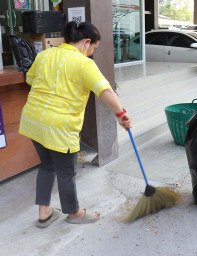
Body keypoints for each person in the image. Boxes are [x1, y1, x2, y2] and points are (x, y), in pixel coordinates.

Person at [19, 21, 132, 227]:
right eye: (93, 49)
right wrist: (121, 114)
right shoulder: (83, 63)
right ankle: (74, 213)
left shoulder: (44, 55)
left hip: (33, 120)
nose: (91, 54)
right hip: (59, 126)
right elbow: (105, 90)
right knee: (66, 172)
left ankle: (44, 211)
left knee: (47, 166)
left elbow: (31, 79)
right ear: (86, 43)